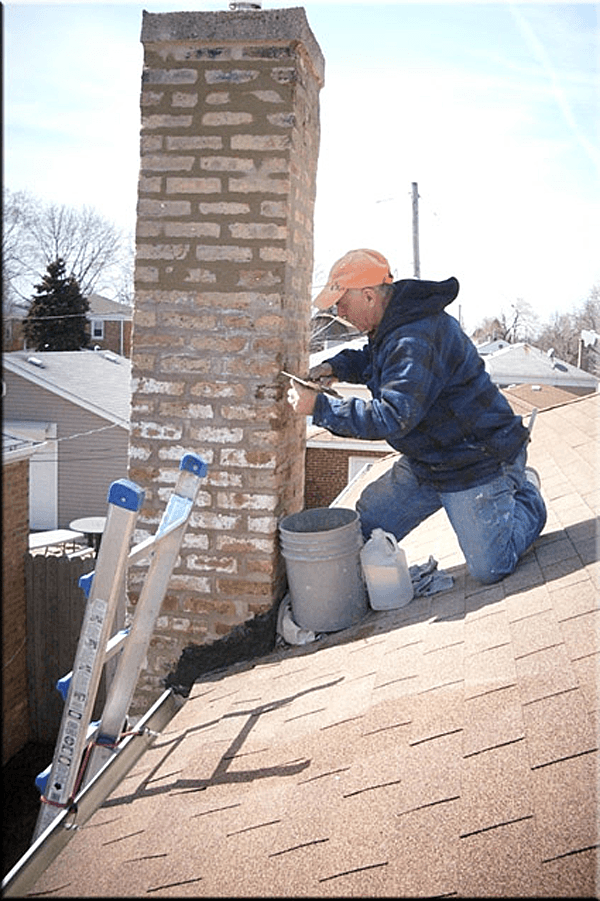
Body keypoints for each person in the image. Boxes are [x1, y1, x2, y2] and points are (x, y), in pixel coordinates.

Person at [287, 248, 547, 585]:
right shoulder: (396, 322)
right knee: (365, 529)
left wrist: (318, 408)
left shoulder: (416, 337)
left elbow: (393, 416)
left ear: (368, 296)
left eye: (341, 302)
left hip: (476, 460)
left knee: (491, 568)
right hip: (430, 459)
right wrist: (335, 367)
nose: (338, 311)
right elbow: (375, 359)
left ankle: (525, 491)